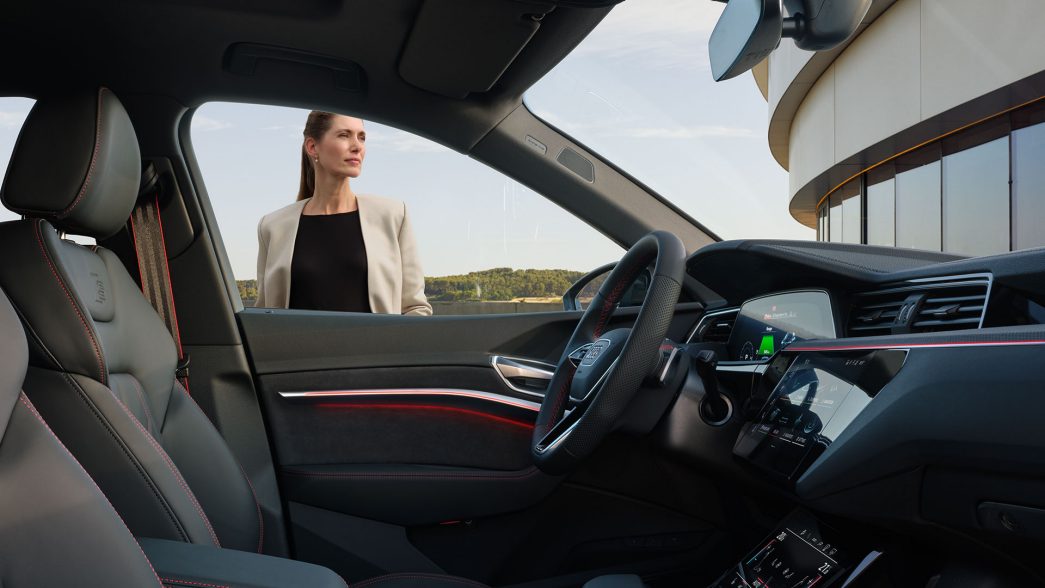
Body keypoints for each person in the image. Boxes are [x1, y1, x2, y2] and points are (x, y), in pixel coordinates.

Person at [254, 111, 432, 315]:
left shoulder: (393, 215)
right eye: (344, 135)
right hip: (297, 347)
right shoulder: (272, 226)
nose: (357, 146)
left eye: (361, 137)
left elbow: (416, 308)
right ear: (313, 147)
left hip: (375, 347)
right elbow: (264, 315)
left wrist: (389, 345)